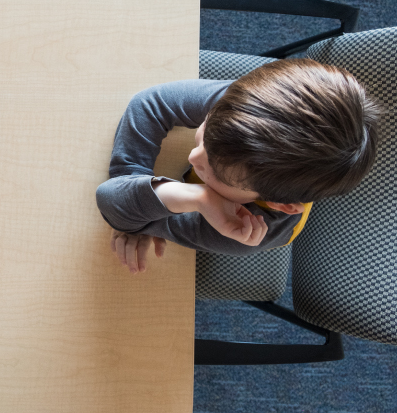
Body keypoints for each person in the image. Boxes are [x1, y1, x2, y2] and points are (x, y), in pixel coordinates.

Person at [96, 58, 383, 273]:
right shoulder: (246, 111)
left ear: (282, 205)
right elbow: (151, 103)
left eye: (214, 171)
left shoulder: (241, 231)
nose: (195, 158)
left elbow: (114, 205)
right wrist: (132, 179)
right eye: (205, 134)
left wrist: (196, 196)